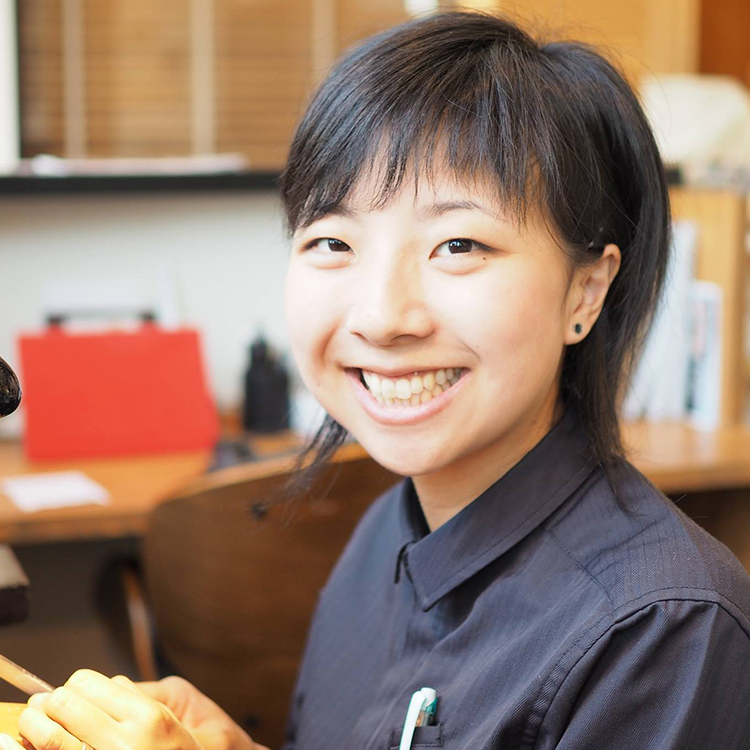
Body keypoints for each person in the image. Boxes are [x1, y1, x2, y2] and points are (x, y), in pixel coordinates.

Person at [4, 10, 750, 750]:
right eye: (333, 241)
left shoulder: (662, 631)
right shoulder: (384, 536)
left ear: (586, 291)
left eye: (459, 244)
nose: (383, 315)